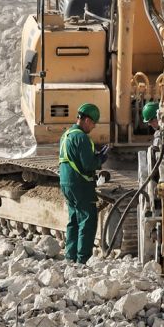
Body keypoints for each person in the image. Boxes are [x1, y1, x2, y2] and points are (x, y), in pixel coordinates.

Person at [58, 102, 108, 264]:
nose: (93, 127)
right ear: (87, 120)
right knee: (87, 219)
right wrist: (101, 157)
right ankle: (83, 259)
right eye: (93, 123)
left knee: (73, 219)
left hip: (66, 182)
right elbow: (89, 164)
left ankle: (70, 256)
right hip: (81, 184)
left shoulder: (66, 135)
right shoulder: (81, 137)